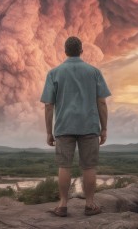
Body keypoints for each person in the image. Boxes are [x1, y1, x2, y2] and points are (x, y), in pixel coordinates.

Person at [40, 36, 111, 217]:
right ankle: (89, 205)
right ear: (81, 50)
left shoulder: (54, 73)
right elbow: (101, 102)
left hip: (64, 126)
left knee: (64, 166)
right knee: (89, 167)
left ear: (65, 51)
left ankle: (63, 205)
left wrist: (49, 132)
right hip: (89, 125)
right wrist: (103, 128)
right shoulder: (94, 72)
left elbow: (49, 105)